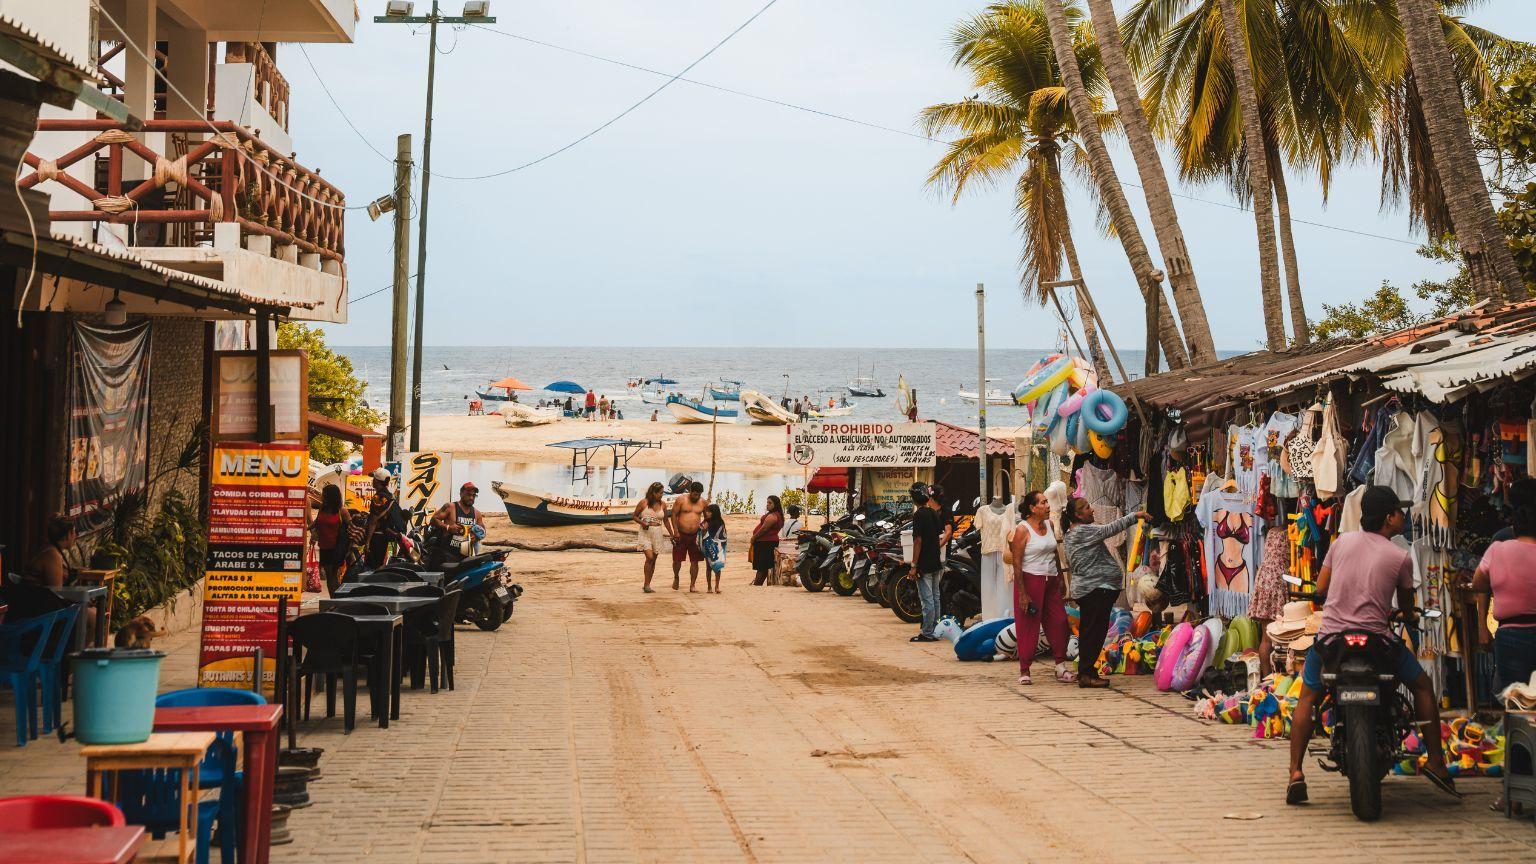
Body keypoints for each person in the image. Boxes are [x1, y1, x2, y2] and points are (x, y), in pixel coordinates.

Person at [1286, 486, 1457, 805]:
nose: (1403, 517)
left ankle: (1296, 772)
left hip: (1332, 641)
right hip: (1378, 642)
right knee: (1421, 686)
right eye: (1399, 511)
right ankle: (1436, 760)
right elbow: (1406, 609)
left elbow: (1321, 588)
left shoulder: (1341, 544)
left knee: (1308, 696)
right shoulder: (1400, 557)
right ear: (1389, 517)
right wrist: (1403, 613)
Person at [1061, 497, 1145, 688]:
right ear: (1077, 515)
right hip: (1095, 590)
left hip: (1093, 590)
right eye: (1086, 508)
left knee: (1090, 631)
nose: (1091, 510)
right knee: (1093, 633)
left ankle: (1087, 672)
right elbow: (1109, 529)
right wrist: (1135, 516)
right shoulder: (1082, 531)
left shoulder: (1072, 533)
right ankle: (1087, 674)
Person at [1465, 502, 1536, 695]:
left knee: (1513, 697)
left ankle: (1519, 725)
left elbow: (1478, 584)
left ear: (1515, 528)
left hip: (1510, 632)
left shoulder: (1497, 549)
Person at [1009, 491, 1073, 685]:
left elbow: (1054, 553)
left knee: (1060, 621)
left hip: (1051, 579)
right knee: (1029, 625)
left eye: (1047, 502)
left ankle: (1060, 666)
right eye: (1043, 503)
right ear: (1032, 508)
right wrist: (1022, 593)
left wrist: (1061, 578)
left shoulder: (1050, 525)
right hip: (1030, 580)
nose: (1047, 506)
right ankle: (1025, 669)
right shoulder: (1022, 530)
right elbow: (1017, 563)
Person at [908, 485, 947, 642]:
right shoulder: (933, 512)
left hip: (924, 562)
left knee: (927, 600)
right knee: (935, 598)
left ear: (914, 499)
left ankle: (927, 633)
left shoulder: (918, 515)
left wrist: (913, 565)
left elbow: (918, 541)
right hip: (935, 560)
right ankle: (935, 631)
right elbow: (938, 534)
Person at [429, 482, 487, 567]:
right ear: (461, 493)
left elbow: (483, 531)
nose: (471, 498)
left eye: (473, 496)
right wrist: (448, 527)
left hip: (467, 555)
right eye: (468, 494)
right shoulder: (450, 507)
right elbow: (434, 519)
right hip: (448, 554)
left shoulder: (476, 513)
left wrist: (476, 536)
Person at [666, 481, 709, 592]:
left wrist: (704, 527)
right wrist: (675, 531)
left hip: (696, 535)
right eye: (695, 494)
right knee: (677, 560)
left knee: (695, 561)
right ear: (690, 491)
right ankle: (676, 577)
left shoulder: (703, 502)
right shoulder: (681, 500)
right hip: (681, 534)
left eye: (699, 494)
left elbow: (708, 517)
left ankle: (692, 584)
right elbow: (674, 515)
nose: (697, 496)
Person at [310, 485, 352, 594]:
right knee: (329, 577)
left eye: (324, 494)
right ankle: (333, 600)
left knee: (334, 574)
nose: (322, 496)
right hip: (324, 547)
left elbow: (351, 529)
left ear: (331, 496)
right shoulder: (322, 509)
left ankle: (336, 601)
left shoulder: (341, 511)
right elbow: (316, 523)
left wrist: (350, 548)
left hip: (337, 548)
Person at [363, 468, 408, 568]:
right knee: (378, 564)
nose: (372, 481)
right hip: (384, 537)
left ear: (377, 481)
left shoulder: (378, 497)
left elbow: (373, 522)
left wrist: (367, 542)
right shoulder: (390, 496)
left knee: (372, 567)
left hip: (376, 537)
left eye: (373, 479)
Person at [631, 482, 669, 593]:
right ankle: (646, 584)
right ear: (653, 493)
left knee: (654, 560)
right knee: (650, 557)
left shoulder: (663, 505)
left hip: (657, 533)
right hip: (645, 533)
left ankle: (647, 584)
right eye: (660, 493)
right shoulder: (643, 503)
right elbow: (634, 516)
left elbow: (666, 520)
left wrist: (673, 534)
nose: (662, 495)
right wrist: (642, 523)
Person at [23, 515, 75, 588]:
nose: (74, 537)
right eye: (74, 532)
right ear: (69, 534)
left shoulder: (49, 549)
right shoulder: (52, 555)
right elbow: (56, 593)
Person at [750, 495, 785, 586]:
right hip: (765, 542)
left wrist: (754, 537)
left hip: (765, 543)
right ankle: (758, 583)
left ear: (775, 504)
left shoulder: (773, 516)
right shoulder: (775, 515)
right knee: (763, 566)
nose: (767, 505)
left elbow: (764, 529)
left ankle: (757, 584)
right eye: (767, 503)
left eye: (770, 503)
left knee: (762, 567)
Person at [701, 504, 728, 594]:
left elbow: (723, 535)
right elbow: (701, 534)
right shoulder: (705, 521)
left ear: (714, 513)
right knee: (708, 567)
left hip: (719, 546)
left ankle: (717, 586)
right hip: (708, 546)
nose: (707, 513)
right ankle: (709, 586)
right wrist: (703, 529)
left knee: (718, 567)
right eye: (707, 511)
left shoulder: (720, 522)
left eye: (709, 512)